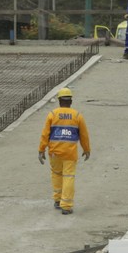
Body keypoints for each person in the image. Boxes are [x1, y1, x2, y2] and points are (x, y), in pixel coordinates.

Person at [37, 87, 93, 215]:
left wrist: (41, 150)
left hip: (54, 152)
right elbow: (84, 135)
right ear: (71, 101)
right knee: (68, 177)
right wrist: (86, 149)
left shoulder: (52, 114)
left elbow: (45, 134)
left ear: (59, 101)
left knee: (56, 174)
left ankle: (57, 200)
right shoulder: (77, 116)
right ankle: (66, 206)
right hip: (70, 153)